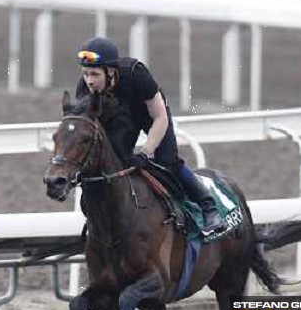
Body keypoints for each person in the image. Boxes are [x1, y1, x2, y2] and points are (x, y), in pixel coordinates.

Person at [74, 36, 226, 235]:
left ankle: (208, 206)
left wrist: (146, 152)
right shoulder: (85, 90)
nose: (90, 81)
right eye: (85, 74)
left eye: (94, 74)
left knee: (167, 162)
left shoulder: (136, 74)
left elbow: (160, 116)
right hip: (121, 120)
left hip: (151, 116)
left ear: (111, 72)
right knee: (115, 163)